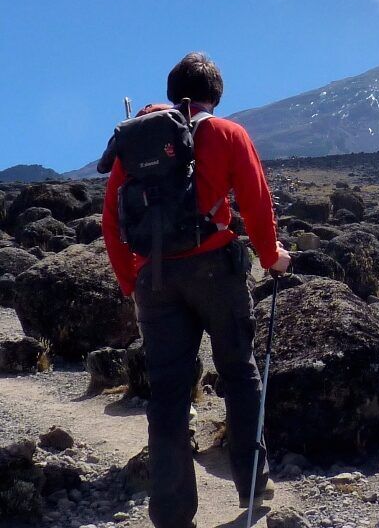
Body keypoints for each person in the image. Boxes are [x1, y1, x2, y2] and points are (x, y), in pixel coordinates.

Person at [101, 52, 291, 528]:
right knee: (239, 373)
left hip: (154, 279)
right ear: (216, 95)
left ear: (172, 92)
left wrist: (130, 281)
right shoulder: (227, 133)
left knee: (167, 394)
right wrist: (271, 256)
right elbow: (256, 199)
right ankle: (252, 483)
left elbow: (111, 218)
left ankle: (171, 513)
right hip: (215, 271)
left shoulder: (135, 140)